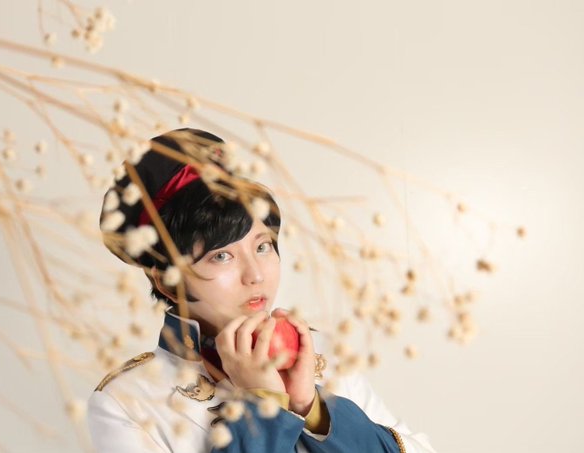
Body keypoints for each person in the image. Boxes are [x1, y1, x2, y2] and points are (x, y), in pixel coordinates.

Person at [88, 128, 436, 453]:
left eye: (263, 246)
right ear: (166, 280)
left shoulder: (318, 353)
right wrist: (263, 407)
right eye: (222, 256)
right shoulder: (128, 401)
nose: (255, 275)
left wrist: (312, 408)